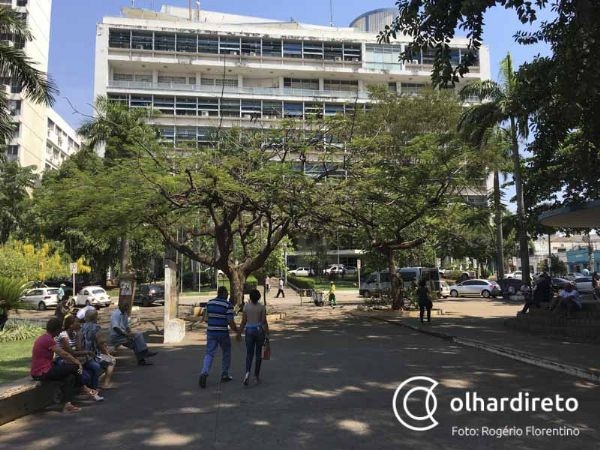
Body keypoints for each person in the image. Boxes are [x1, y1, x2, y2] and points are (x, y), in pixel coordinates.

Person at [31, 318, 92, 413]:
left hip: (45, 370)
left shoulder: (45, 337)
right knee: (75, 367)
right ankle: (83, 387)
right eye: (60, 329)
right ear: (57, 329)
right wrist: (77, 362)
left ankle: (67, 405)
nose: (61, 331)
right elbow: (64, 354)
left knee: (69, 377)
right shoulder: (47, 339)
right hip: (42, 372)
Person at [199, 286, 241, 389]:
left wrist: (213, 323)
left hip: (211, 332)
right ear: (225, 294)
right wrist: (237, 331)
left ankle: (204, 372)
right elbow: (230, 321)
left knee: (209, 353)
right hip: (223, 333)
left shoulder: (209, 303)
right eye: (227, 294)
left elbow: (205, 318)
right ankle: (224, 374)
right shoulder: (227, 305)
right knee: (226, 352)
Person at [56, 316, 104, 401]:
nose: (79, 324)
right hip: (63, 359)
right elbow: (70, 352)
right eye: (77, 322)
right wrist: (87, 352)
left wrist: (78, 334)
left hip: (74, 358)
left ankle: (94, 389)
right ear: (71, 325)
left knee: (95, 366)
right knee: (85, 375)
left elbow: (79, 349)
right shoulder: (63, 335)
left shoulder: (75, 333)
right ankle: (85, 390)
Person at [239, 289, 269, 385]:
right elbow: (264, 321)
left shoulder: (246, 307)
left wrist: (239, 332)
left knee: (249, 353)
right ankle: (256, 376)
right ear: (259, 297)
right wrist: (267, 333)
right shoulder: (262, 307)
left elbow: (243, 321)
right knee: (258, 354)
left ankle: (247, 372)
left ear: (250, 297)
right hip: (259, 330)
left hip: (249, 330)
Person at [81, 309, 115, 389]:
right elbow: (100, 344)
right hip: (94, 355)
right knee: (112, 361)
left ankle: (97, 378)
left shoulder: (81, 327)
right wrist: (107, 354)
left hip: (82, 354)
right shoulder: (96, 328)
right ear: (95, 318)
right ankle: (106, 384)